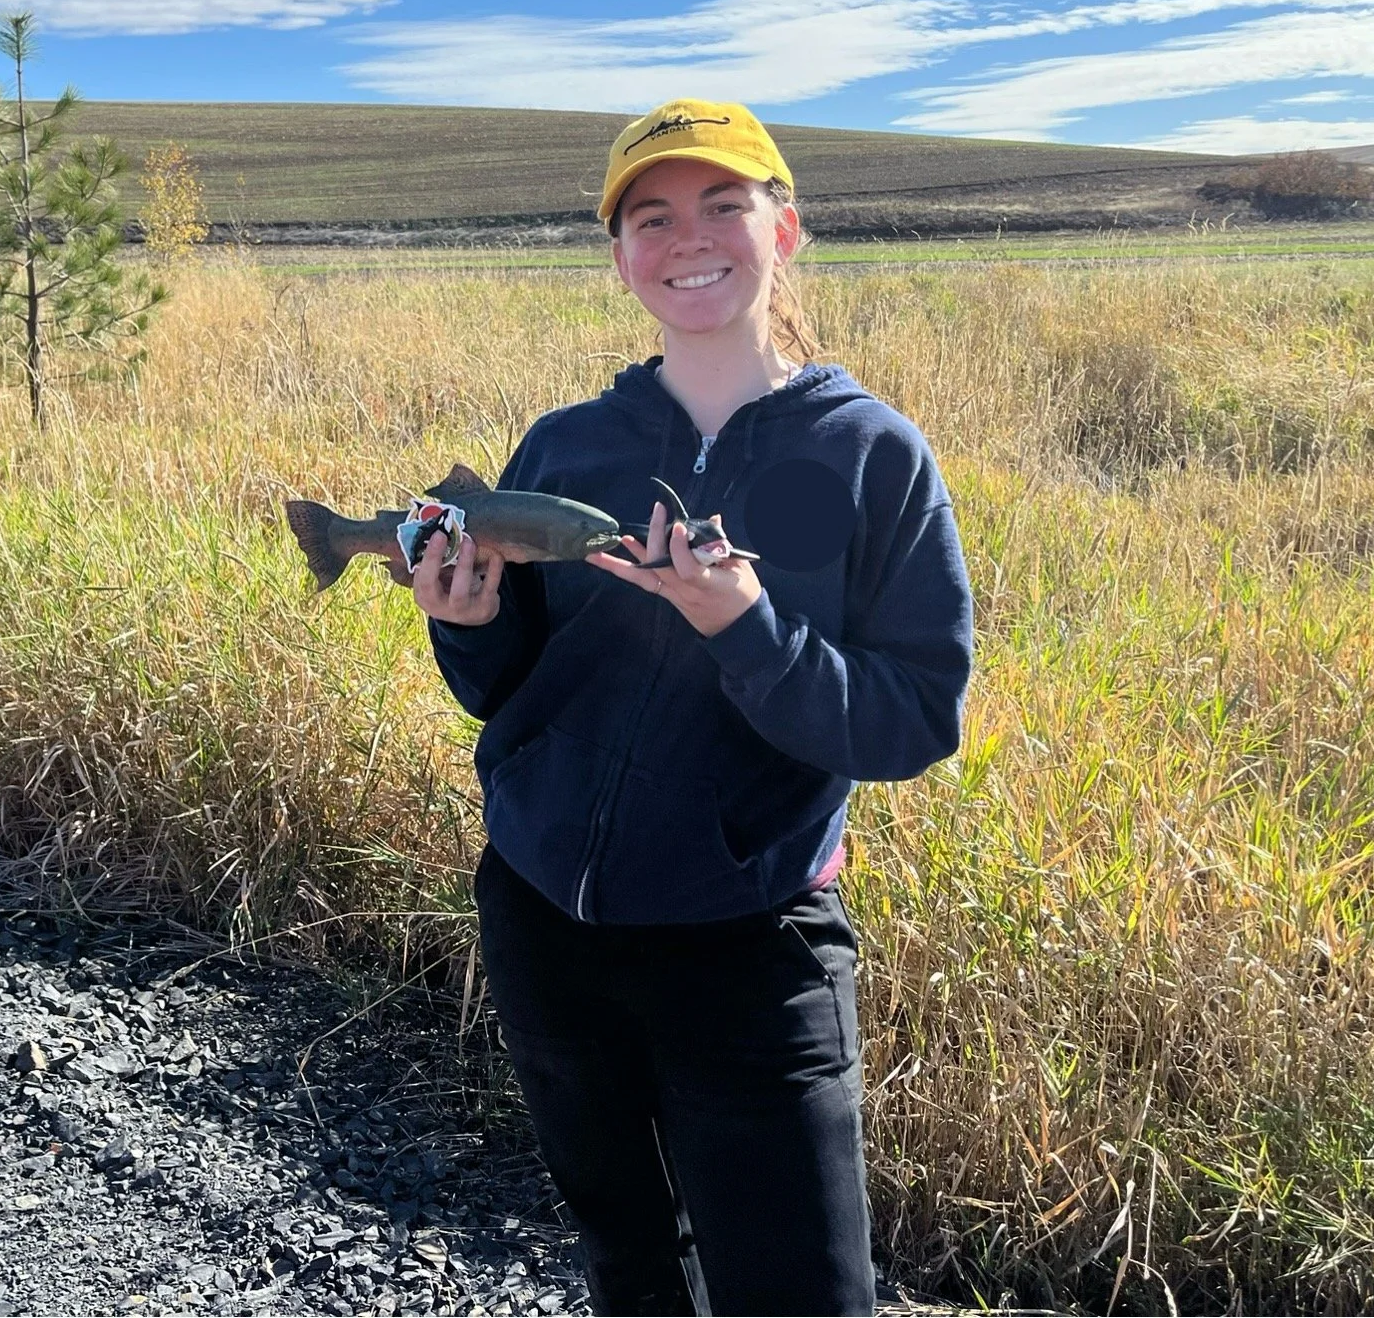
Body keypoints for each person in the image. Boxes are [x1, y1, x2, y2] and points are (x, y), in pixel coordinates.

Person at [411, 98, 974, 1316]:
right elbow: (514, 691)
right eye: (651, 215)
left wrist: (748, 632)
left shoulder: (871, 456)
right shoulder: (567, 447)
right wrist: (470, 626)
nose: (690, 236)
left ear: (788, 230)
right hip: (544, 923)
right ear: (619, 256)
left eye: (726, 202)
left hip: (749, 947)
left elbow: (915, 718)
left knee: (803, 1297)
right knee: (627, 1265)